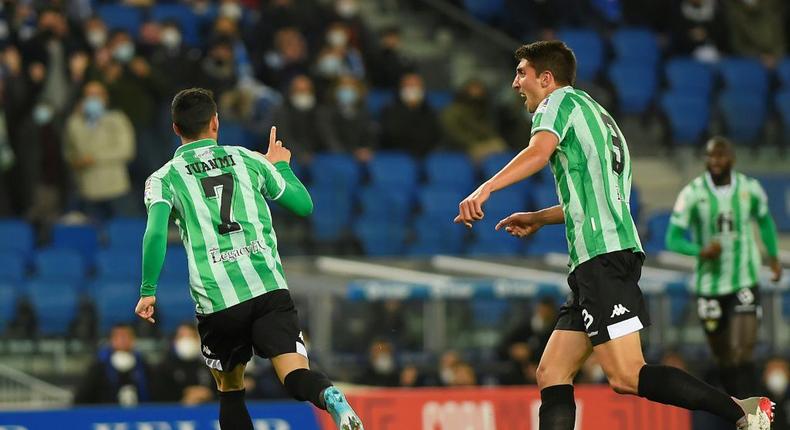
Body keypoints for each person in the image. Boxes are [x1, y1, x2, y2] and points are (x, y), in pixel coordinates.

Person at [454, 40, 774, 429]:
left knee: (626, 375)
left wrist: (484, 188)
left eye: (522, 73)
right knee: (552, 371)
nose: (515, 83)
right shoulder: (600, 117)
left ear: (547, 78)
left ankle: (743, 411)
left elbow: (538, 152)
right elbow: (603, 199)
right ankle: (743, 410)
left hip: (601, 258)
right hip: (605, 255)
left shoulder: (556, 104)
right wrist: (540, 216)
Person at [133, 88, 362, 430]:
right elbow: (304, 205)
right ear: (215, 123)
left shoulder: (163, 178)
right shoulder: (247, 158)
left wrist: (148, 289)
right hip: (268, 288)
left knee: (230, 390)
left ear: (175, 128)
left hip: (219, 300)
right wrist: (282, 167)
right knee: (296, 373)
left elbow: (154, 234)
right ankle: (330, 397)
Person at [665, 136, 782, 398]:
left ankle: (752, 412)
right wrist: (701, 251)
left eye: (721, 156)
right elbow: (672, 239)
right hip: (710, 285)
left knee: (743, 350)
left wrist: (772, 256)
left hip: (744, 277)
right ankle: (739, 407)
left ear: (732, 158)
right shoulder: (692, 193)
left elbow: (764, 221)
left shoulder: (750, 188)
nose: (716, 161)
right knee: (724, 356)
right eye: (711, 156)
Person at [63, 80, 136, 220]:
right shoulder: (74, 122)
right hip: (89, 190)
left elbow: (126, 150)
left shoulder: (118, 119)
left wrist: (94, 158)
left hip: (116, 189)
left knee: (125, 234)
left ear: (105, 97)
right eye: (89, 95)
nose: (93, 99)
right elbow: (70, 153)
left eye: (97, 94)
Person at [74, 324, 153, 405]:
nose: (122, 341)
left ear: (133, 340)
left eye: (126, 336)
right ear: (111, 340)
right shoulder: (99, 367)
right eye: (118, 337)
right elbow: (82, 397)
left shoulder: (144, 366)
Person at [152, 323, 215, 405]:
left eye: (191, 336)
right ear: (174, 341)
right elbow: (158, 398)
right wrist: (184, 395)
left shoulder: (210, 366)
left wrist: (207, 394)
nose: (186, 340)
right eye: (181, 336)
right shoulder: (164, 368)